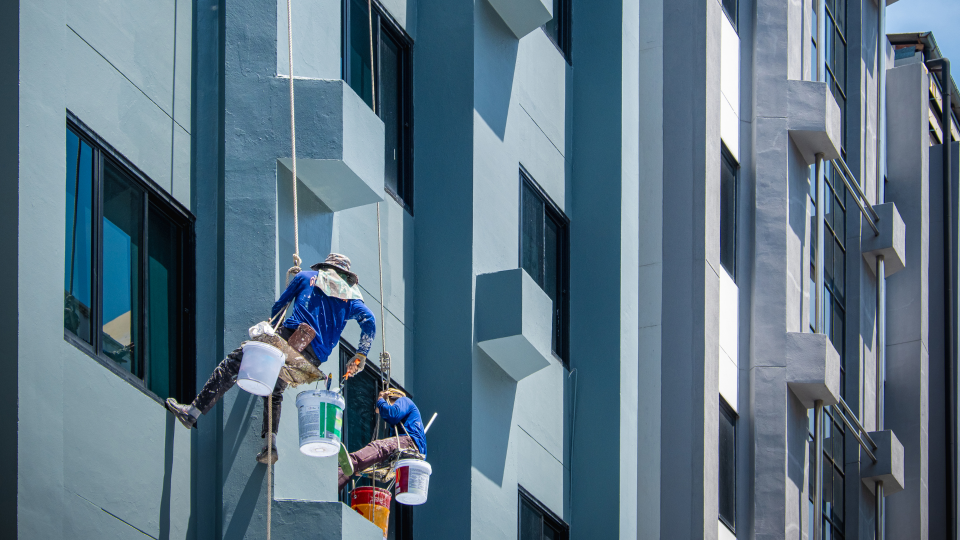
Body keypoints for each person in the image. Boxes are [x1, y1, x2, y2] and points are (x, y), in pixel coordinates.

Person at [165, 253, 376, 464]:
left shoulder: (305, 277)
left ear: (325, 267)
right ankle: (270, 447)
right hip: (310, 362)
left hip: (289, 341)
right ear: (345, 276)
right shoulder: (349, 300)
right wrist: (360, 354)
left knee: (235, 362)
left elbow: (278, 308)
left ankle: (192, 412)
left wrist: (293, 286)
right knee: (274, 391)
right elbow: (369, 321)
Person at [337, 388, 428, 489]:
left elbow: (392, 414)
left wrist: (381, 400)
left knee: (379, 447)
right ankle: (338, 481)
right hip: (410, 451)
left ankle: (352, 461)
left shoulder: (404, 401)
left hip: (410, 444)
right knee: (370, 462)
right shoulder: (398, 429)